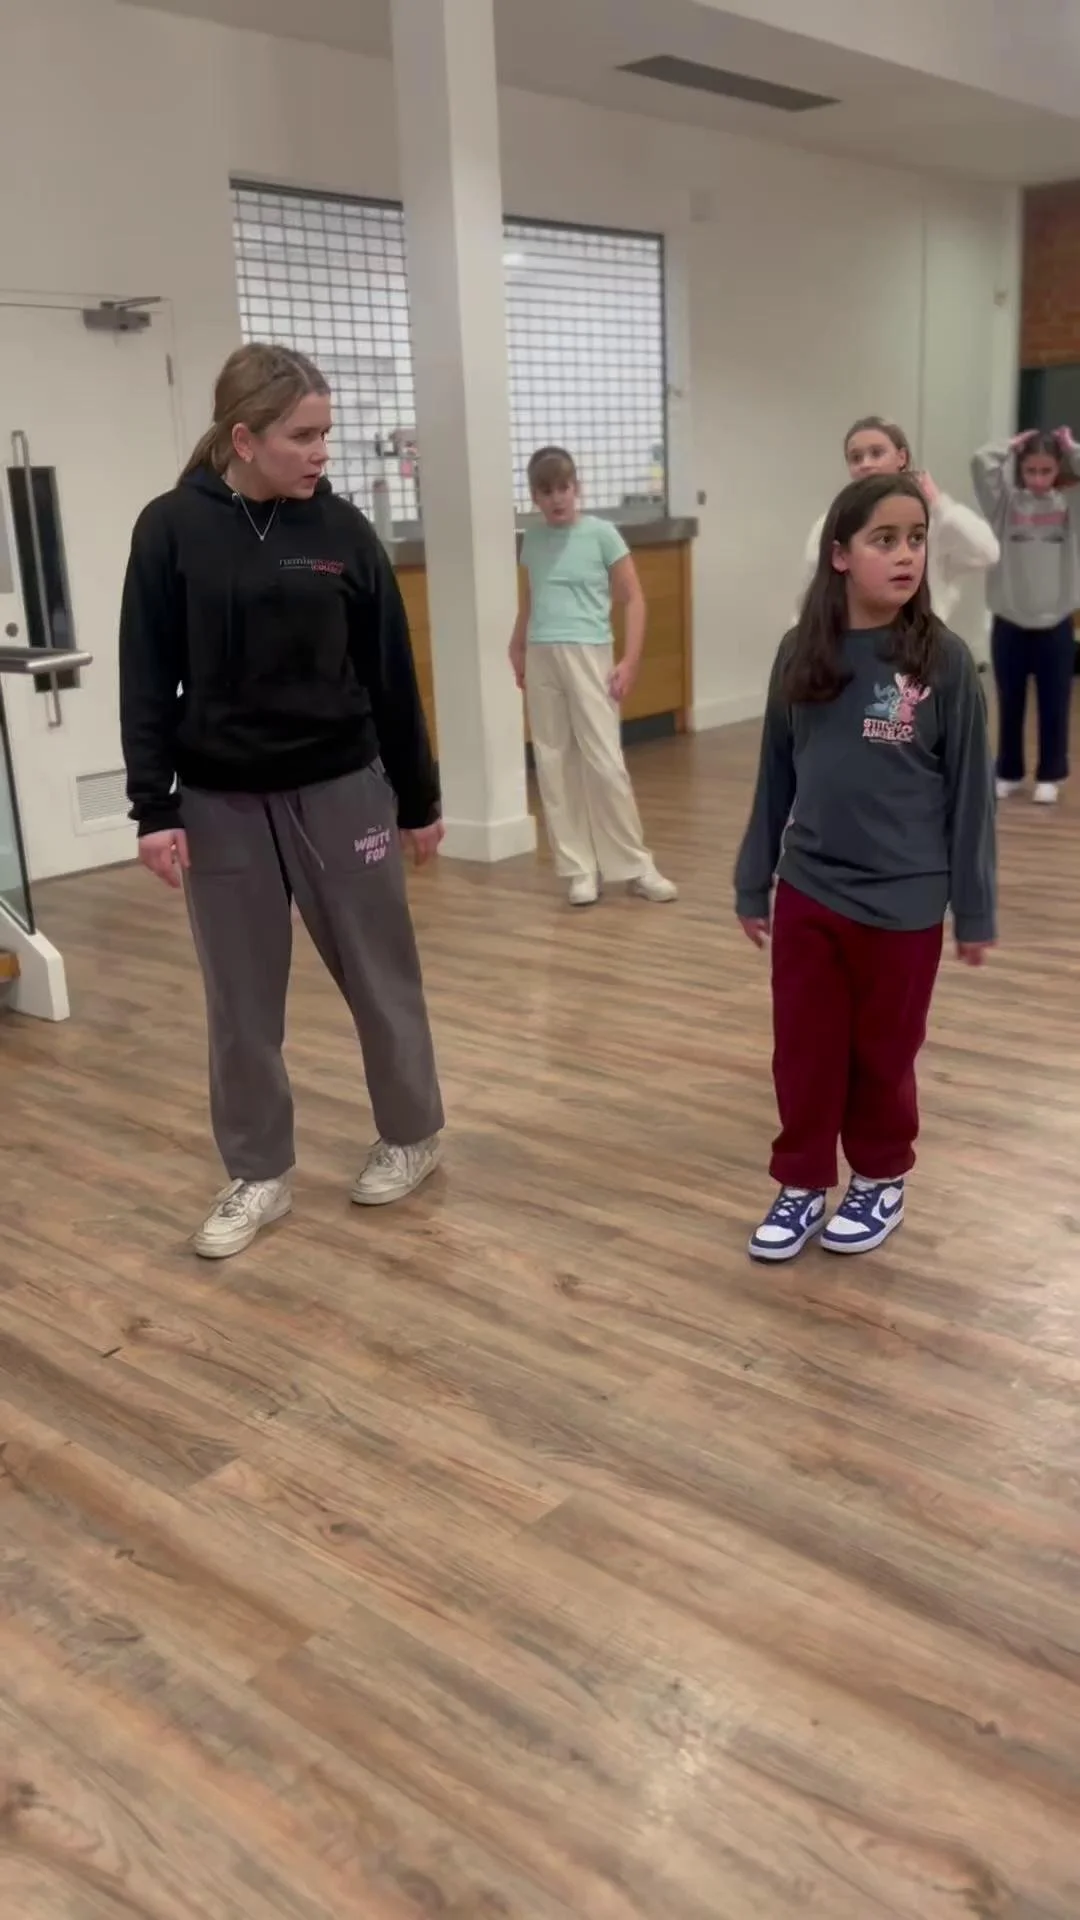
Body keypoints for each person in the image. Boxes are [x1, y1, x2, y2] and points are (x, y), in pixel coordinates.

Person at [120, 343, 445, 1260]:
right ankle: (259, 1172)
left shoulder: (342, 531)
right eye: (302, 436)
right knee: (241, 1004)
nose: (320, 452)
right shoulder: (172, 528)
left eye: (325, 434)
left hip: (342, 789)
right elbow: (146, 674)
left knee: (381, 977)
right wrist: (153, 806)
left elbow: (390, 673)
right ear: (244, 438)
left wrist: (419, 798)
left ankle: (413, 1133)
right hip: (220, 803)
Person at [736, 472, 996, 1263]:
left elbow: (971, 799)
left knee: (884, 1056)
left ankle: (881, 1178)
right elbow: (774, 775)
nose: (907, 554)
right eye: (885, 540)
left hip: (904, 906)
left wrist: (974, 909)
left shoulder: (945, 662)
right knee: (805, 1050)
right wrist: (753, 879)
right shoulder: (800, 653)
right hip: (810, 891)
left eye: (916, 539)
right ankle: (802, 1180)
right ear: (840, 554)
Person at [508, 446, 677, 908]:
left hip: (590, 654)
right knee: (554, 761)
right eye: (546, 491)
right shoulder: (532, 540)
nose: (556, 498)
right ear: (535, 496)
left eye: (563, 488)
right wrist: (517, 644)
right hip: (542, 654)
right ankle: (580, 868)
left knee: (605, 763)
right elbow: (532, 598)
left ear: (576, 488)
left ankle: (636, 866)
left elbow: (634, 598)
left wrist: (631, 661)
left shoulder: (603, 535)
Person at [799, 416, 998, 623]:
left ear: (901, 457)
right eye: (856, 458)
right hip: (849, 637)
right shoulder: (832, 522)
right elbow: (811, 591)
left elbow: (987, 552)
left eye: (877, 453)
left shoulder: (932, 520)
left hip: (921, 636)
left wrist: (939, 504)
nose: (866, 464)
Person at [972, 428, 1080, 805]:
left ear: (1058, 469)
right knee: (1010, 701)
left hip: (1056, 625)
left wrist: (1071, 447)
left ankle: (1050, 774)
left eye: (1045, 470)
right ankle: (1009, 771)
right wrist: (1010, 445)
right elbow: (980, 463)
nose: (1037, 478)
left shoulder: (1070, 506)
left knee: (1055, 704)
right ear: (1020, 469)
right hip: (1009, 624)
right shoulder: (1005, 505)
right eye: (1030, 470)